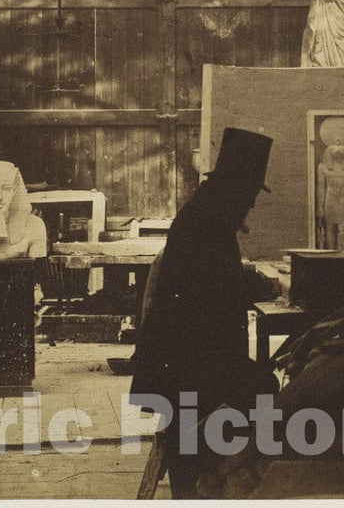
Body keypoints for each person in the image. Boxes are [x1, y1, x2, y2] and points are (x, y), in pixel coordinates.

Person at [131, 128, 277, 498]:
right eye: (250, 195)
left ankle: (208, 481)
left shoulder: (209, 211)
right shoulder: (207, 220)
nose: (252, 205)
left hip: (187, 355)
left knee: (254, 387)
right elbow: (216, 294)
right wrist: (260, 287)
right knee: (263, 390)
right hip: (187, 362)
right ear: (237, 187)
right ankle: (214, 485)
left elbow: (217, 281)